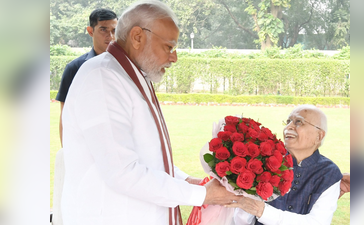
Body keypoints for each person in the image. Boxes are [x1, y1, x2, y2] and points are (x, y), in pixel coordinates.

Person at [60, 1, 240, 225]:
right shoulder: (103, 78)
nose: (173, 57)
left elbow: (150, 157)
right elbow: (122, 172)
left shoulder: (128, 76)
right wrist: (203, 195)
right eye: (168, 47)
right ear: (137, 37)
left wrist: (189, 182)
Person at [227, 104, 343, 225]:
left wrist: (262, 211)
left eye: (298, 122)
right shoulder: (264, 159)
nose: (288, 127)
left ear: (319, 136)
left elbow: (317, 222)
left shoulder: (329, 173)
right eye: (288, 121)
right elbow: (243, 217)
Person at [56, 8, 118, 146]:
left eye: (114, 30)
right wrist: (67, 152)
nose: (110, 36)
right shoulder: (74, 68)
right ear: (90, 31)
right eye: (103, 29)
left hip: (119, 144)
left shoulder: (125, 68)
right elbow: (65, 116)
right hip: (85, 145)